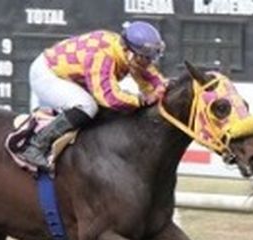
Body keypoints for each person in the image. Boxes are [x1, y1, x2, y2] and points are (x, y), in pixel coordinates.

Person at [19, 21, 168, 175]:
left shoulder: (125, 51)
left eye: (151, 58)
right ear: (128, 52)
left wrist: (161, 86)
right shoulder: (102, 55)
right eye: (145, 58)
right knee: (87, 106)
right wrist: (142, 100)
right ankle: (36, 146)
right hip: (47, 74)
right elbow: (108, 97)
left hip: (68, 76)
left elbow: (148, 74)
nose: (148, 63)